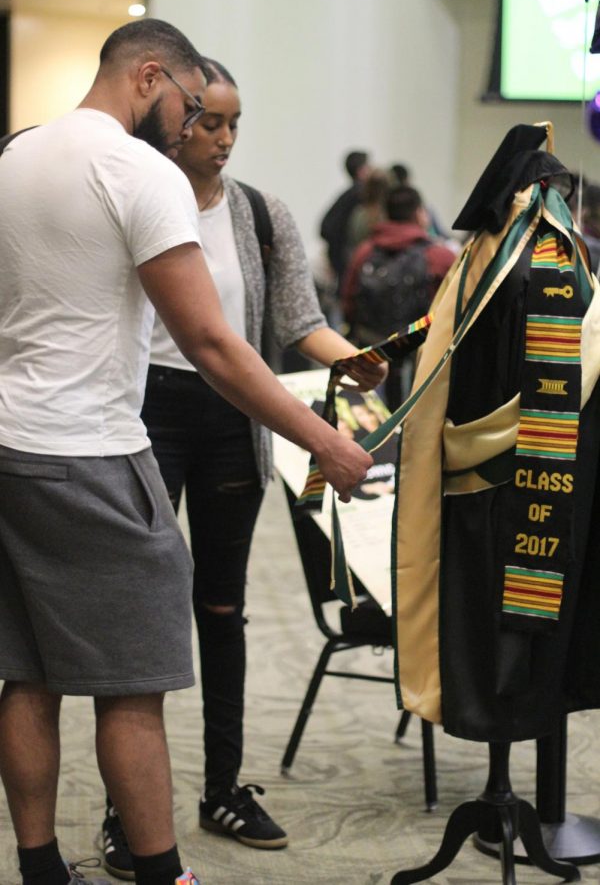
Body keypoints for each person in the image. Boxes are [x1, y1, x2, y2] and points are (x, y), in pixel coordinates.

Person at [0, 20, 374, 885]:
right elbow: (210, 342)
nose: (195, 125)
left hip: (14, 444)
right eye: (191, 106)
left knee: (27, 673)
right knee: (133, 690)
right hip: (93, 453)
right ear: (150, 76)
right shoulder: (138, 172)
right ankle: (167, 873)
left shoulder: (18, 156)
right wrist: (328, 441)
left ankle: (39, 867)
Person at [99, 58, 387, 880]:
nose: (223, 139)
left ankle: (222, 787)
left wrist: (355, 359)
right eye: (209, 122)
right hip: (144, 414)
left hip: (235, 420)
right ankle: (129, 814)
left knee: (222, 607)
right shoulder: (133, 195)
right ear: (178, 118)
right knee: (142, 623)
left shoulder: (263, 213)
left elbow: (298, 322)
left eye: (234, 124)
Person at [342, 185, 456, 409]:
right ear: (419, 213)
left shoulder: (364, 252)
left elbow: (348, 299)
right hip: (419, 353)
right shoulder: (439, 256)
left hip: (372, 350)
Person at [319, 149, 371, 286]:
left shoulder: (346, 195)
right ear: (361, 171)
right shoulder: (359, 195)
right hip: (346, 257)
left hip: (340, 254)